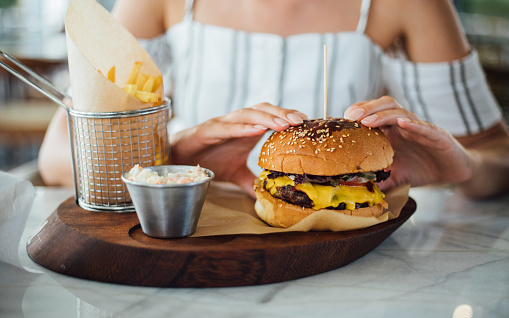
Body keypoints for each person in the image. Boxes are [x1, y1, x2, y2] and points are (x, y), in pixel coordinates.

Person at [39, 0, 509, 199]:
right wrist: (176, 159)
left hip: (359, 274)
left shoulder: (411, 5)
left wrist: (458, 168)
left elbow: (497, 157)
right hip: (184, 256)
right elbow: (58, 157)